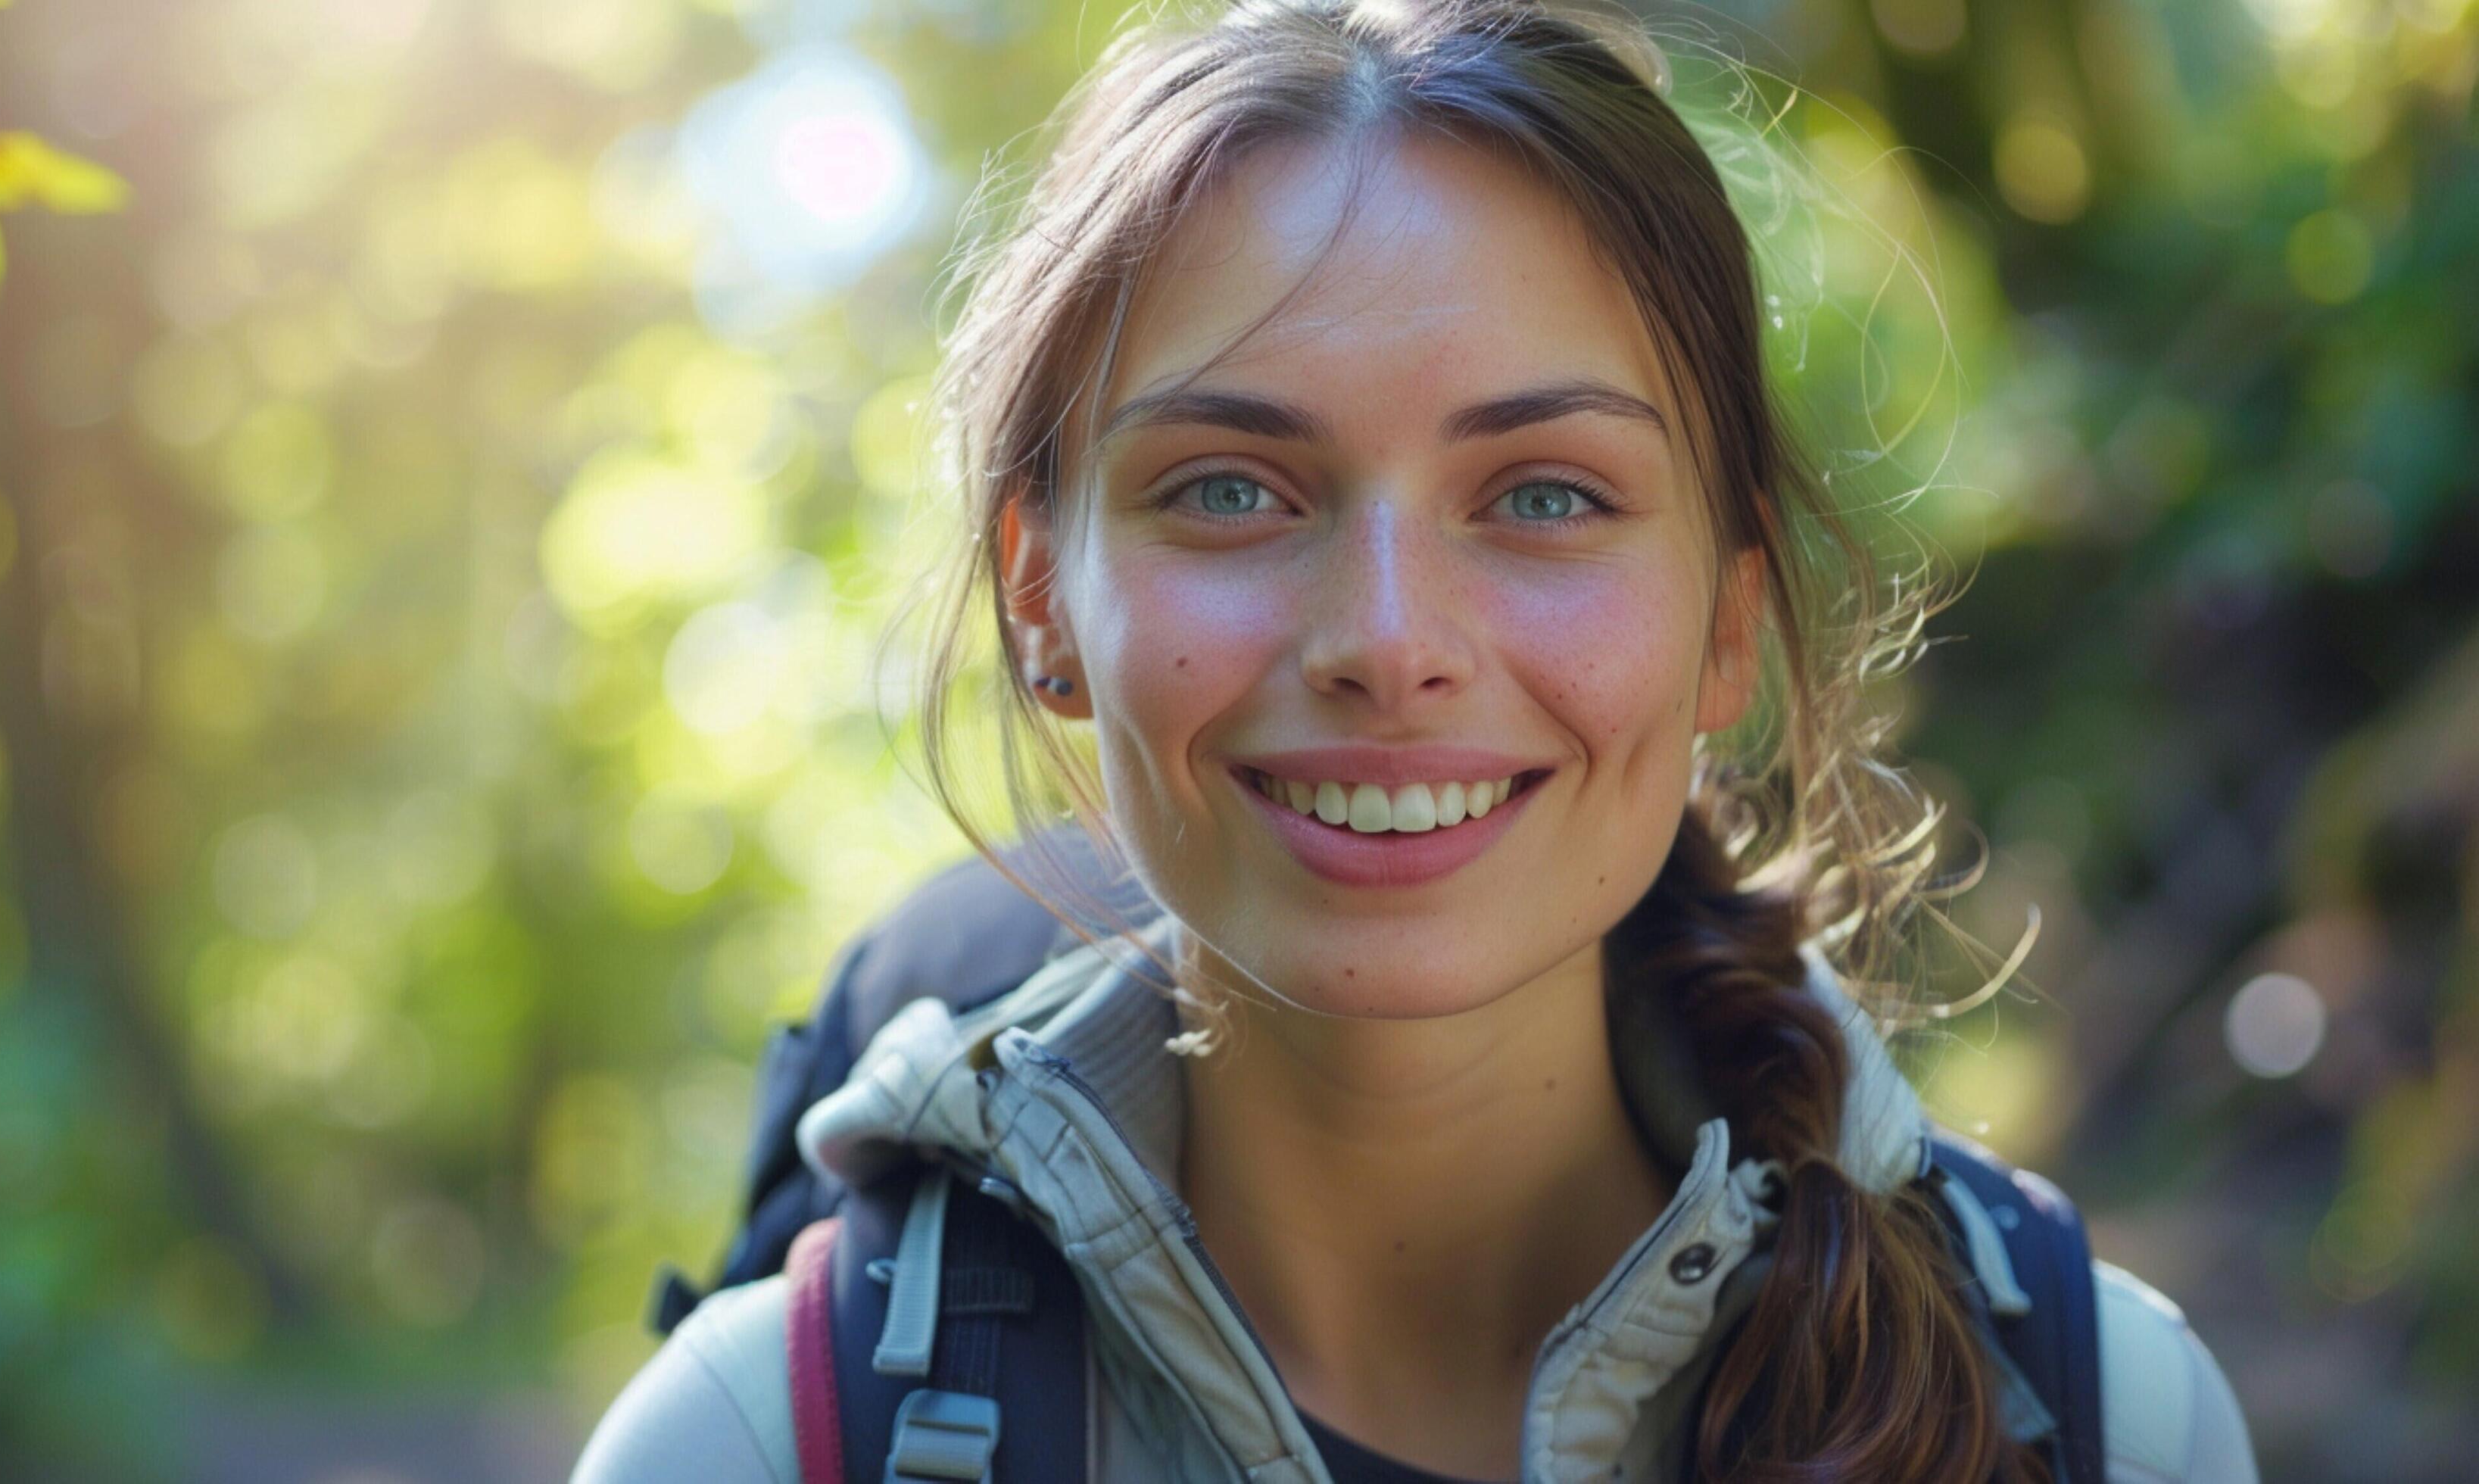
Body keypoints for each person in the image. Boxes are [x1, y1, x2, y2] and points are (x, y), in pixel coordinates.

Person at [575, 0, 2259, 1478]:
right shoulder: (750, 1445)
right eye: (1230, 488)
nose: (1388, 640)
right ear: (1042, 597)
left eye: (1543, 495)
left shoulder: (2102, 1422)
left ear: (1728, 619)